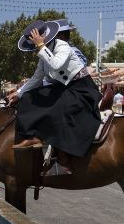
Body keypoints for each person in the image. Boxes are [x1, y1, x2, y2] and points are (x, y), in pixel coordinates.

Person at [7, 20, 101, 157]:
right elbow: (36, 78)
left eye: (35, 45)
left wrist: (40, 45)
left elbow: (56, 65)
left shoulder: (62, 46)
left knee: (57, 108)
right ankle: (33, 137)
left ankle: (64, 154)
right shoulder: (44, 51)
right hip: (64, 88)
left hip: (81, 89)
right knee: (29, 97)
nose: (34, 49)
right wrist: (19, 93)